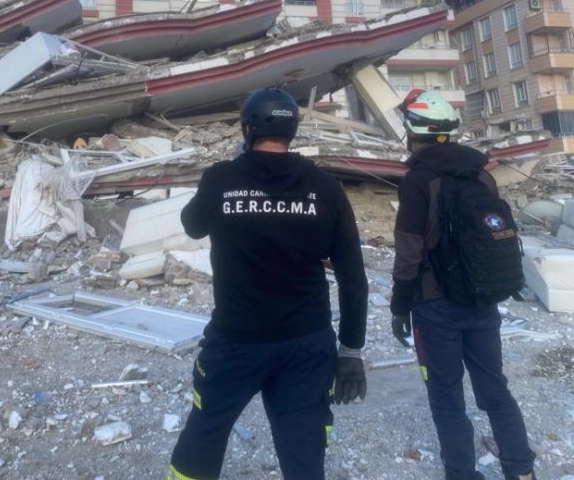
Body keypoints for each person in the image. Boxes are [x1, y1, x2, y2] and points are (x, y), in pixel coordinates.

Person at [167, 87, 369, 480]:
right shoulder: (325, 187)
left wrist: (234, 180)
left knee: (203, 437)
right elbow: (353, 279)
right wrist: (351, 352)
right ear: (293, 131)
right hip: (306, 346)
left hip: (235, 343)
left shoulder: (222, 178)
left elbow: (192, 226)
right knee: (304, 453)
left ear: (247, 129)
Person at [390, 89, 537, 480]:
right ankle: (521, 470)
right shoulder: (481, 175)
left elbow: (408, 252)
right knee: (495, 390)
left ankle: (461, 473)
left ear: (411, 131)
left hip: (435, 306)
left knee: (446, 396)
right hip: (483, 298)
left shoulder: (418, 181)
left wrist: (399, 305)